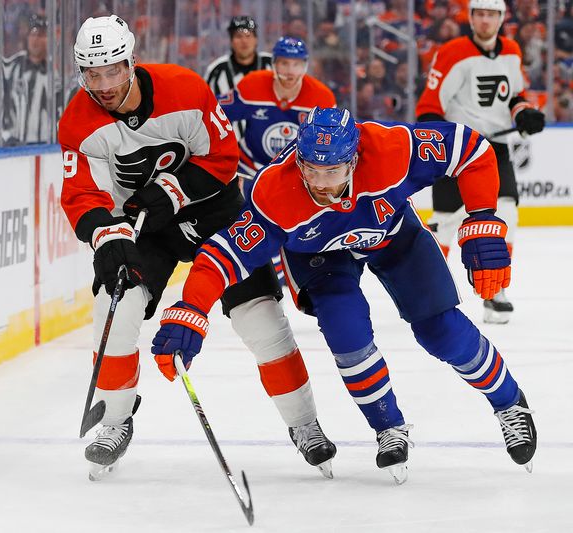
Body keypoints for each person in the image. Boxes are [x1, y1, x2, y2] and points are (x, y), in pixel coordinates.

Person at [151, 107, 538, 484]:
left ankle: (509, 403)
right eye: (311, 169)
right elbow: (221, 257)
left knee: (442, 330)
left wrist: (483, 216)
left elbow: (471, 148)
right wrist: (190, 308)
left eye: (332, 170)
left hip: (393, 235)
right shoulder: (275, 192)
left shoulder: (391, 148)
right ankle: (389, 428)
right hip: (318, 255)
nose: (320, 183)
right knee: (346, 329)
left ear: (354, 160)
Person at [59, 15, 336, 481]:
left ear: (131, 62)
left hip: (216, 213)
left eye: (112, 70)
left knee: (260, 315)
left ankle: (304, 423)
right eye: (93, 74)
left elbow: (223, 158)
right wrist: (106, 238)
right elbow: (83, 194)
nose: (104, 85)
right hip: (145, 228)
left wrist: (166, 193)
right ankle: (115, 419)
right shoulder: (77, 121)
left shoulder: (185, 89)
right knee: (116, 302)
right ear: (81, 73)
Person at [416, 0, 545, 324]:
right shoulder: (453, 52)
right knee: (447, 221)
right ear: (471, 17)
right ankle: (430, 294)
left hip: (496, 147)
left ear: (502, 18)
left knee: (507, 212)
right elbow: (430, 105)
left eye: (491, 14)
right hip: (459, 146)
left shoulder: (512, 50)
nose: (485, 20)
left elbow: (514, 95)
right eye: (479, 14)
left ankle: (495, 290)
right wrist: (436, 146)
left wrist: (523, 112)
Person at [218, 36, 336, 196]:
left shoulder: (322, 98)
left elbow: (331, 142)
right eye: (284, 63)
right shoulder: (252, 85)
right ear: (273, 64)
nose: (290, 71)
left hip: (296, 176)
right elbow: (217, 113)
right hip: (249, 170)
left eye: (297, 64)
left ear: (305, 66)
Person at [1, 13, 59, 145]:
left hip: (47, 146)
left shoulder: (57, 73)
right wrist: (7, 136)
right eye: (33, 34)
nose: (36, 40)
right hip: (14, 146)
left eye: (42, 35)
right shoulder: (11, 67)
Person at [203, 16, 272, 98]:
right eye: (239, 36)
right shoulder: (216, 70)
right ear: (231, 41)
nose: (244, 41)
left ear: (256, 40)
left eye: (248, 35)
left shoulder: (272, 64)